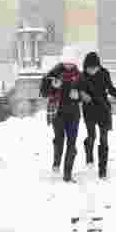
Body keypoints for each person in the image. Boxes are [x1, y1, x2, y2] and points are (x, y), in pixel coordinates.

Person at [79, 51, 116, 179]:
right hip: (89, 111)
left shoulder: (104, 73)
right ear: (85, 67)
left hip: (103, 110)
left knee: (104, 140)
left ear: (98, 66)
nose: (92, 70)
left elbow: (111, 89)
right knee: (92, 136)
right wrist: (81, 95)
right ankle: (89, 154)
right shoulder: (82, 76)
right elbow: (75, 91)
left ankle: (102, 170)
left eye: (95, 67)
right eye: (89, 68)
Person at [39, 46, 85, 183]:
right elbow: (43, 92)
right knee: (59, 140)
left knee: (72, 143)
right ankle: (56, 163)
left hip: (73, 113)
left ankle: (67, 174)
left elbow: (85, 94)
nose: (69, 65)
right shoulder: (53, 73)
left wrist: (78, 96)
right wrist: (53, 86)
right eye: (66, 62)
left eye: (71, 62)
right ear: (62, 61)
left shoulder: (80, 76)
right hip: (57, 112)